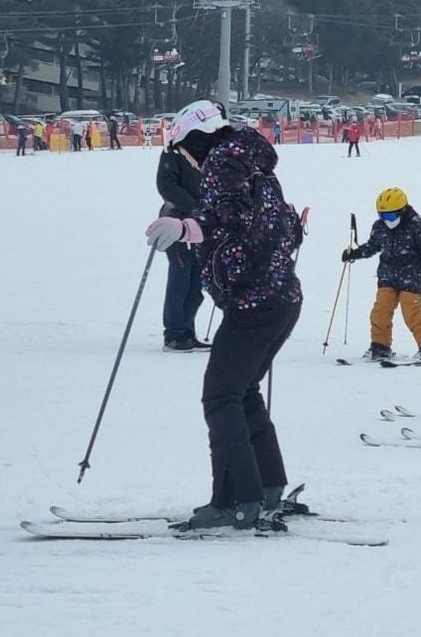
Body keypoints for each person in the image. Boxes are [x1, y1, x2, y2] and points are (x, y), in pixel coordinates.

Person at [143, 100, 304, 531]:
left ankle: (236, 499)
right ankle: (266, 487)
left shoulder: (224, 161)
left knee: (221, 396)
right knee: (242, 391)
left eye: (185, 148)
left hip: (256, 302)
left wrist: (186, 228)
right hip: (279, 297)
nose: (188, 159)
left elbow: (231, 218)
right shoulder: (253, 160)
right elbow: (270, 224)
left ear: (198, 138)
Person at [343, 188, 421, 361]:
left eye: (390, 216)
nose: (386, 220)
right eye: (382, 215)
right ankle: (380, 345)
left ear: (402, 211)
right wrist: (354, 254)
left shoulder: (415, 225)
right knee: (380, 310)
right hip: (387, 274)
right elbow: (372, 247)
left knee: (411, 311)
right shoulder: (380, 227)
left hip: (411, 273)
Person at [156, 142, 208, 351]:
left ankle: (188, 330)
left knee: (196, 283)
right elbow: (167, 186)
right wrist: (195, 207)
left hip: (201, 226)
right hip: (178, 223)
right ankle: (174, 333)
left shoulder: (207, 150)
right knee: (180, 281)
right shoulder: (173, 152)